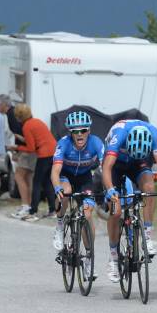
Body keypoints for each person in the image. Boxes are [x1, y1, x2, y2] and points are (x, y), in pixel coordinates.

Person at [102, 119, 157, 282]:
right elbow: (106, 168)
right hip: (116, 163)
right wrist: (110, 189)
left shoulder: (154, 134)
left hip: (139, 162)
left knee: (149, 189)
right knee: (116, 211)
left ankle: (147, 236)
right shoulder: (120, 134)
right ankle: (113, 258)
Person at [51, 112, 104, 265]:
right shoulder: (64, 143)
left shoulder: (96, 142)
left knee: (87, 215)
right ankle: (60, 225)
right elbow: (55, 171)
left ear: (89, 131)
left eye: (83, 130)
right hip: (65, 176)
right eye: (75, 131)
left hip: (85, 178)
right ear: (70, 133)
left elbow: (106, 166)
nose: (79, 134)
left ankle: (89, 256)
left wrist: (110, 188)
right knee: (65, 192)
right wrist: (57, 188)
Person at [8, 103, 56, 221]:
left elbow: (31, 149)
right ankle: (52, 210)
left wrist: (16, 148)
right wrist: (23, 139)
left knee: (37, 183)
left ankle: (33, 211)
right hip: (54, 152)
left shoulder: (26, 126)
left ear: (18, 117)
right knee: (47, 183)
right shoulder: (37, 121)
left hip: (44, 155)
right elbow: (38, 139)